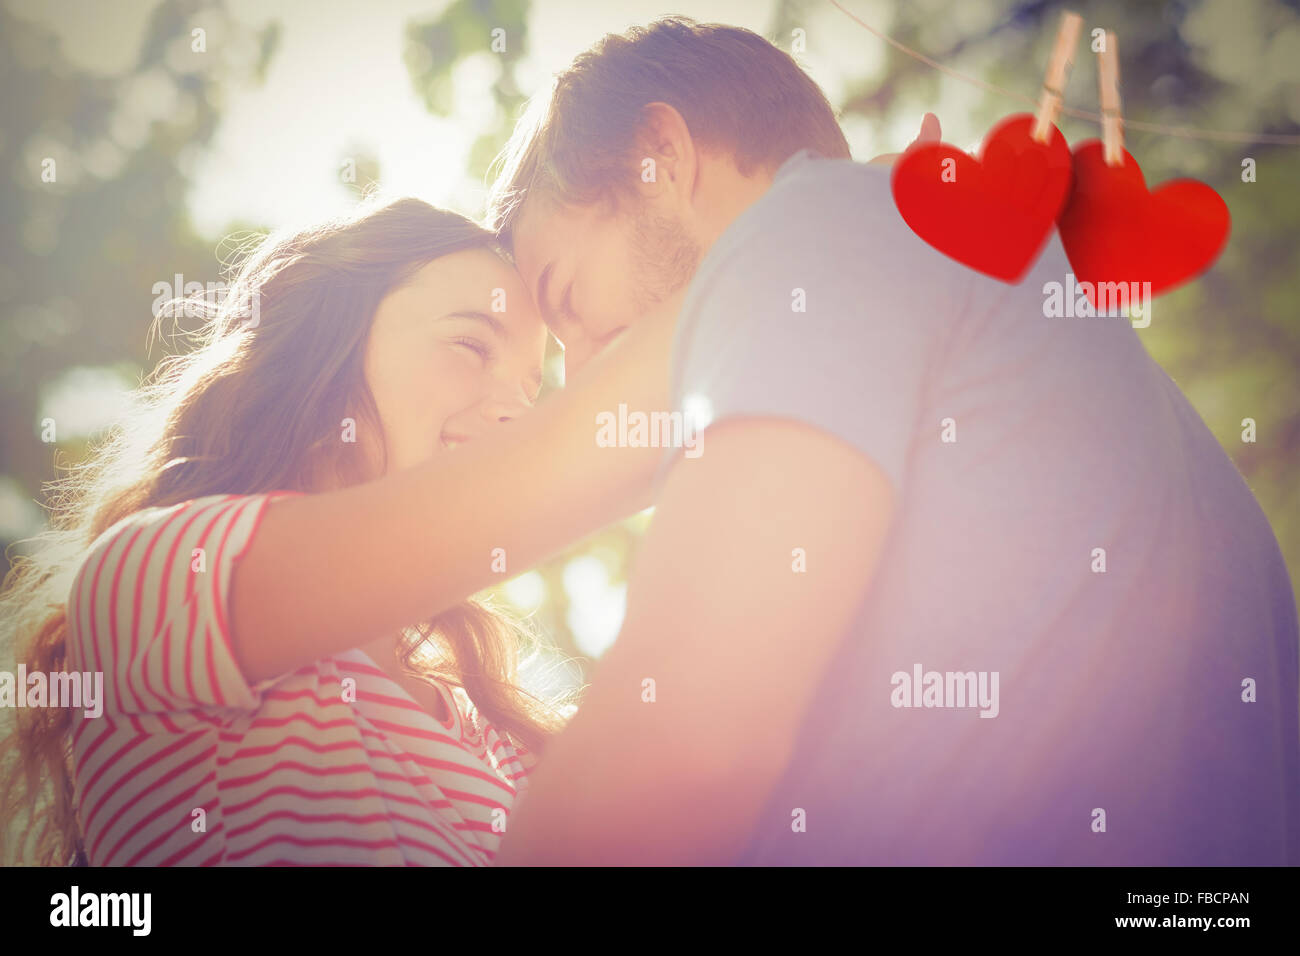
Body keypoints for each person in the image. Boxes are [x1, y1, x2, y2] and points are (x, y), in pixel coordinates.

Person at [485, 16, 1300, 865]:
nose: (577, 376)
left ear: (662, 156)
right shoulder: (1136, 414)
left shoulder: (811, 232)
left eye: (566, 297)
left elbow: (673, 761)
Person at [0, 196, 679, 866]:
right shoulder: (158, 576)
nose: (515, 411)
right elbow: (566, 464)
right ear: (326, 357)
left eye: (532, 388)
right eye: (471, 345)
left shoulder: (504, 746)